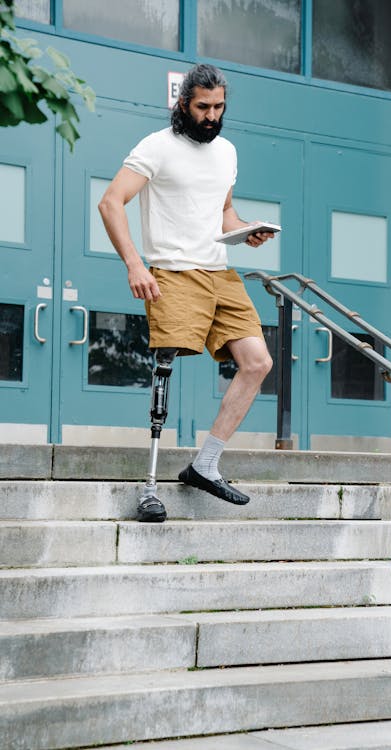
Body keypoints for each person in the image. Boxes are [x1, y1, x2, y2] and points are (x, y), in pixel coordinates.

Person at [99, 63, 274, 521]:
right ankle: (150, 487)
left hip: (220, 272)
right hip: (173, 272)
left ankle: (205, 464)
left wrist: (246, 230)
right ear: (183, 103)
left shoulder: (227, 152)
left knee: (258, 362)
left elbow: (225, 213)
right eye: (203, 107)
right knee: (166, 366)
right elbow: (111, 201)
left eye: (219, 107)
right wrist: (135, 264)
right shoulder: (157, 147)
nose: (212, 116)